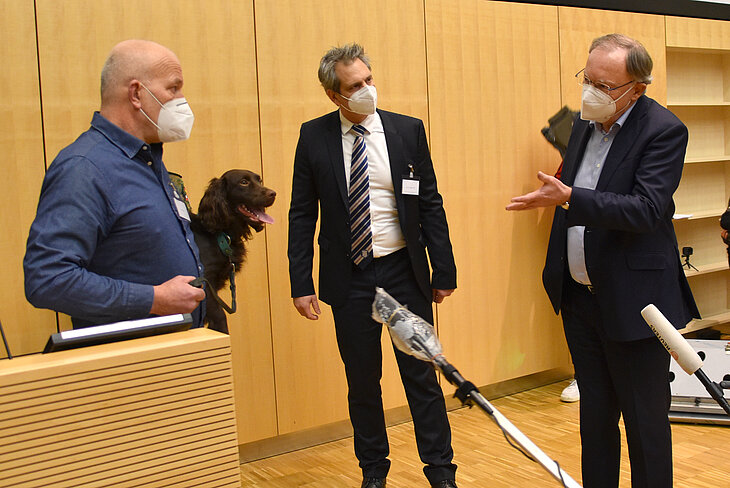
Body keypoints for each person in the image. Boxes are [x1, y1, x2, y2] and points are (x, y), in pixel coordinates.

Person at [507, 34, 699, 488]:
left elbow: (646, 209)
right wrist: (557, 201)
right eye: (587, 79)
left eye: (605, 85)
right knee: (595, 418)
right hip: (579, 298)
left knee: (644, 423)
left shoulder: (664, 130)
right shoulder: (581, 125)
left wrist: (571, 198)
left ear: (638, 86)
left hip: (636, 302)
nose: (591, 91)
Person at [288, 43, 458, 488]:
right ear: (334, 95)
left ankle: (441, 472)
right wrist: (300, 282)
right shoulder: (314, 136)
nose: (366, 90)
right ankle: (374, 473)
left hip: (404, 271)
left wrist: (444, 270)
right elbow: (302, 213)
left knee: (421, 374)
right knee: (363, 383)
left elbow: (430, 203)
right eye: (353, 86)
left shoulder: (407, 131)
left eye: (368, 80)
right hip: (351, 278)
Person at [24, 40, 205, 329]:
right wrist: (153, 298)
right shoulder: (85, 168)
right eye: (173, 88)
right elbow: (47, 279)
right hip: (127, 366)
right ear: (136, 94)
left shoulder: (145, 160)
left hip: (175, 354)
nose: (181, 100)